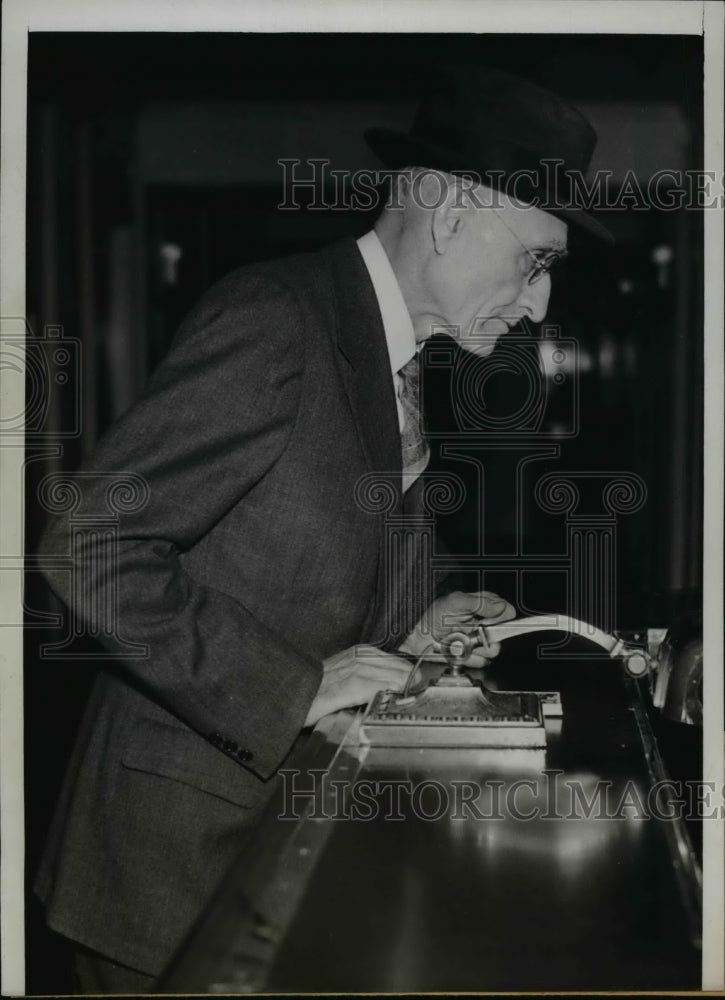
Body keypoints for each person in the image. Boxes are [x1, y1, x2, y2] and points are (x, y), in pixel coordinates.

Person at [34, 63, 611, 992]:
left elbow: (290, 558)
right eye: (535, 260)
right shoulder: (278, 317)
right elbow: (87, 545)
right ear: (455, 215)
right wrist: (294, 685)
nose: (537, 303)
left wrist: (410, 621)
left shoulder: (388, 349)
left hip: (265, 843)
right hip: (167, 875)